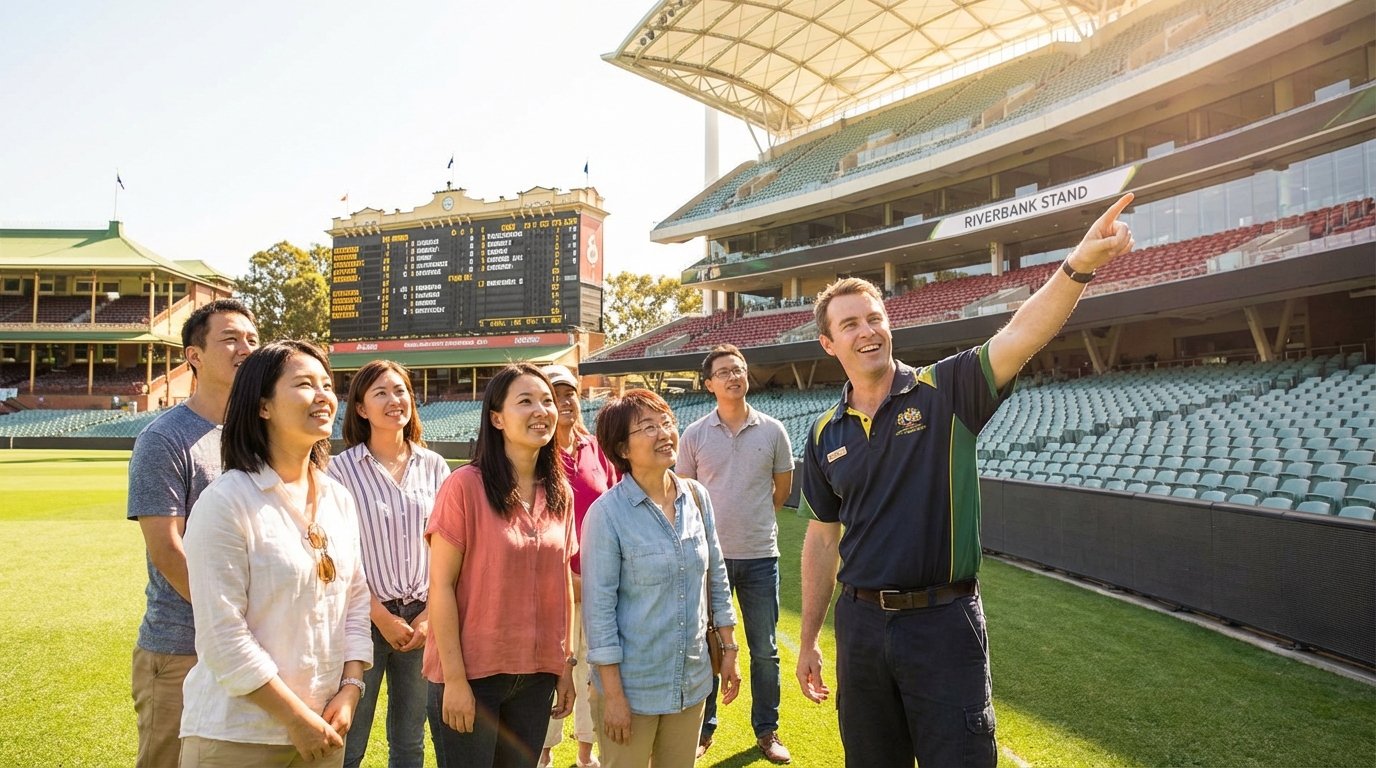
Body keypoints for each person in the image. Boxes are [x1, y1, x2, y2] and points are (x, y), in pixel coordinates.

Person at [796, 194, 1137, 767]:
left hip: (943, 624)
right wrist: (808, 638)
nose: (867, 331)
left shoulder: (946, 389)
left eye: (875, 318)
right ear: (830, 344)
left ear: (890, 327)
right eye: (850, 324)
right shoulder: (823, 433)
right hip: (859, 627)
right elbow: (822, 538)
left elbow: (1023, 334)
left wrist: (1078, 265)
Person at [180, 340, 373, 767]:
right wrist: (294, 718)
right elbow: (222, 636)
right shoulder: (226, 502)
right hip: (238, 737)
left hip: (323, 730)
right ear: (263, 406)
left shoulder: (338, 498)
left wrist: (350, 688)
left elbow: (355, 602)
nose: (324, 395)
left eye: (327, 384)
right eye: (305, 384)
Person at [126, 298, 258, 768]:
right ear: (194, 356)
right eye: (230, 339)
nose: (245, 348)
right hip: (183, 645)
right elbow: (166, 548)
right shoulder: (166, 438)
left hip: (252, 643)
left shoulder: (259, 437)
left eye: (251, 340)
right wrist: (228, 625)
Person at [425, 362, 577, 767]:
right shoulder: (464, 486)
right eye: (525, 401)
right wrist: (455, 680)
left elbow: (562, 580)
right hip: (473, 676)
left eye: (547, 400)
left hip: (536, 674)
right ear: (496, 418)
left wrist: (565, 664)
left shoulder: (560, 493)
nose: (541, 410)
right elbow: (439, 586)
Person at [581, 389, 742, 768]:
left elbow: (716, 574)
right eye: (648, 427)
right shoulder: (607, 515)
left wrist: (730, 649)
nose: (664, 432)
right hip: (633, 690)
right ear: (622, 447)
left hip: (692, 682)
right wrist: (615, 698)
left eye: (667, 422)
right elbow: (599, 613)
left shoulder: (697, 497)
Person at [328, 360, 451, 768]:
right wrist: (380, 616)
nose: (394, 400)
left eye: (400, 391)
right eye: (380, 392)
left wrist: (430, 617)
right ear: (361, 408)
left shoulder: (434, 465)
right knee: (351, 737)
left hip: (422, 620)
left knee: (410, 740)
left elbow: (449, 548)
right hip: (364, 619)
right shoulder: (338, 470)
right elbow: (338, 554)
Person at [677, 345, 793, 764]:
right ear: (709, 384)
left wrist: (755, 523)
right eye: (724, 372)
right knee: (707, 647)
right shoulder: (693, 434)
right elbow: (684, 495)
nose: (733, 376)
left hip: (761, 557)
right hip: (709, 560)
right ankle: (703, 729)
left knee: (765, 650)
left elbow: (781, 488)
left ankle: (767, 729)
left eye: (739, 370)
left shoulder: (773, 430)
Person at [538, 365, 618, 768]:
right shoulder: (535, 453)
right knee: (554, 671)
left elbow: (617, 506)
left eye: (569, 393)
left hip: (599, 584)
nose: (564, 401)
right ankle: (545, 752)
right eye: (554, 394)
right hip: (552, 588)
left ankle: (587, 755)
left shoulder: (595, 448)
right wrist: (566, 577)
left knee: (595, 672)